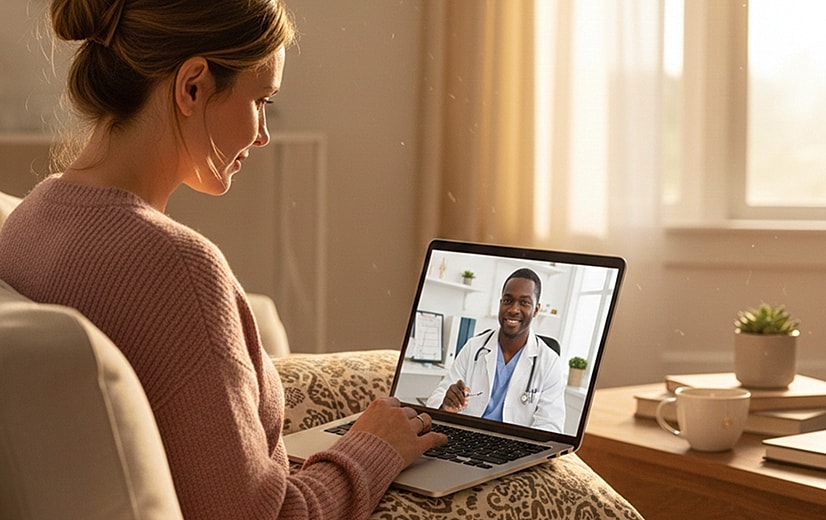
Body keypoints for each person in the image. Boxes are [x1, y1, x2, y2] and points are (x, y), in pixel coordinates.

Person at [0, 0, 446, 518]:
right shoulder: (179, 268)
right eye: (262, 100)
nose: (263, 133)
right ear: (193, 86)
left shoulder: (31, 217)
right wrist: (372, 452)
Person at [426, 268, 566, 432]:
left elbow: (551, 426)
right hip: (466, 436)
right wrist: (446, 404)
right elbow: (436, 398)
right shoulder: (474, 347)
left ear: (536, 309)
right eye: (508, 300)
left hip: (515, 448)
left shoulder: (550, 362)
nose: (513, 309)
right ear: (500, 303)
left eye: (524, 302)